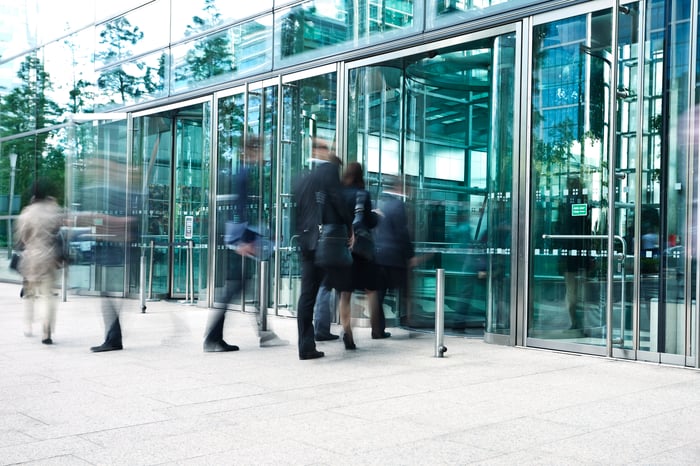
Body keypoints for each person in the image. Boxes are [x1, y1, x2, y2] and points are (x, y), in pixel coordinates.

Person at [205, 135, 285, 352]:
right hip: (241, 243)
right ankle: (214, 339)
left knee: (245, 287)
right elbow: (239, 210)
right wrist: (242, 241)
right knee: (235, 288)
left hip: (245, 239)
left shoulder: (247, 173)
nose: (264, 155)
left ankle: (263, 333)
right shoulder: (242, 174)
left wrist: (264, 234)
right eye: (261, 150)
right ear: (252, 151)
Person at [293, 138, 352, 360]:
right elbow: (337, 200)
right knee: (340, 282)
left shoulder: (301, 178)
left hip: (306, 241)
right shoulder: (328, 171)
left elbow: (299, 211)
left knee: (308, 294)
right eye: (325, 148)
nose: (328, 153)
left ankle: (306, 345)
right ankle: (341, 328)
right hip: (323, 241)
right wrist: (349, 228)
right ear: (320, 151)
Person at [15, 180, 65, 344]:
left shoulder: (27, 213)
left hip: (32, 258)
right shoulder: (54, 210)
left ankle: (28, 324)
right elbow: (59, 229)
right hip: (50, 257)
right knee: (48, 295)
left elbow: (23, 237)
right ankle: (46, 331)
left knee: (29, 293)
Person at [338, 162, 381, 348]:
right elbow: (369, 221)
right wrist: (376, 215)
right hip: (362, 249)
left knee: (345, 293)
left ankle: (348, 330)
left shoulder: (339, 194)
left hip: (344, 247)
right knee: (371, 290)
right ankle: (376, 328)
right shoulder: (363, 194)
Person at [374, 176, 416, 330]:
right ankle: (409, 319)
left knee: (379, 295)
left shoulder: (383, 204)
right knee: (406, 290)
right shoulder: (398, 205)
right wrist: (410, 255)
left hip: (380, 255)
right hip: (394, 257)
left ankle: (377, 328)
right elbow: (401, 232)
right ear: (400, 188)